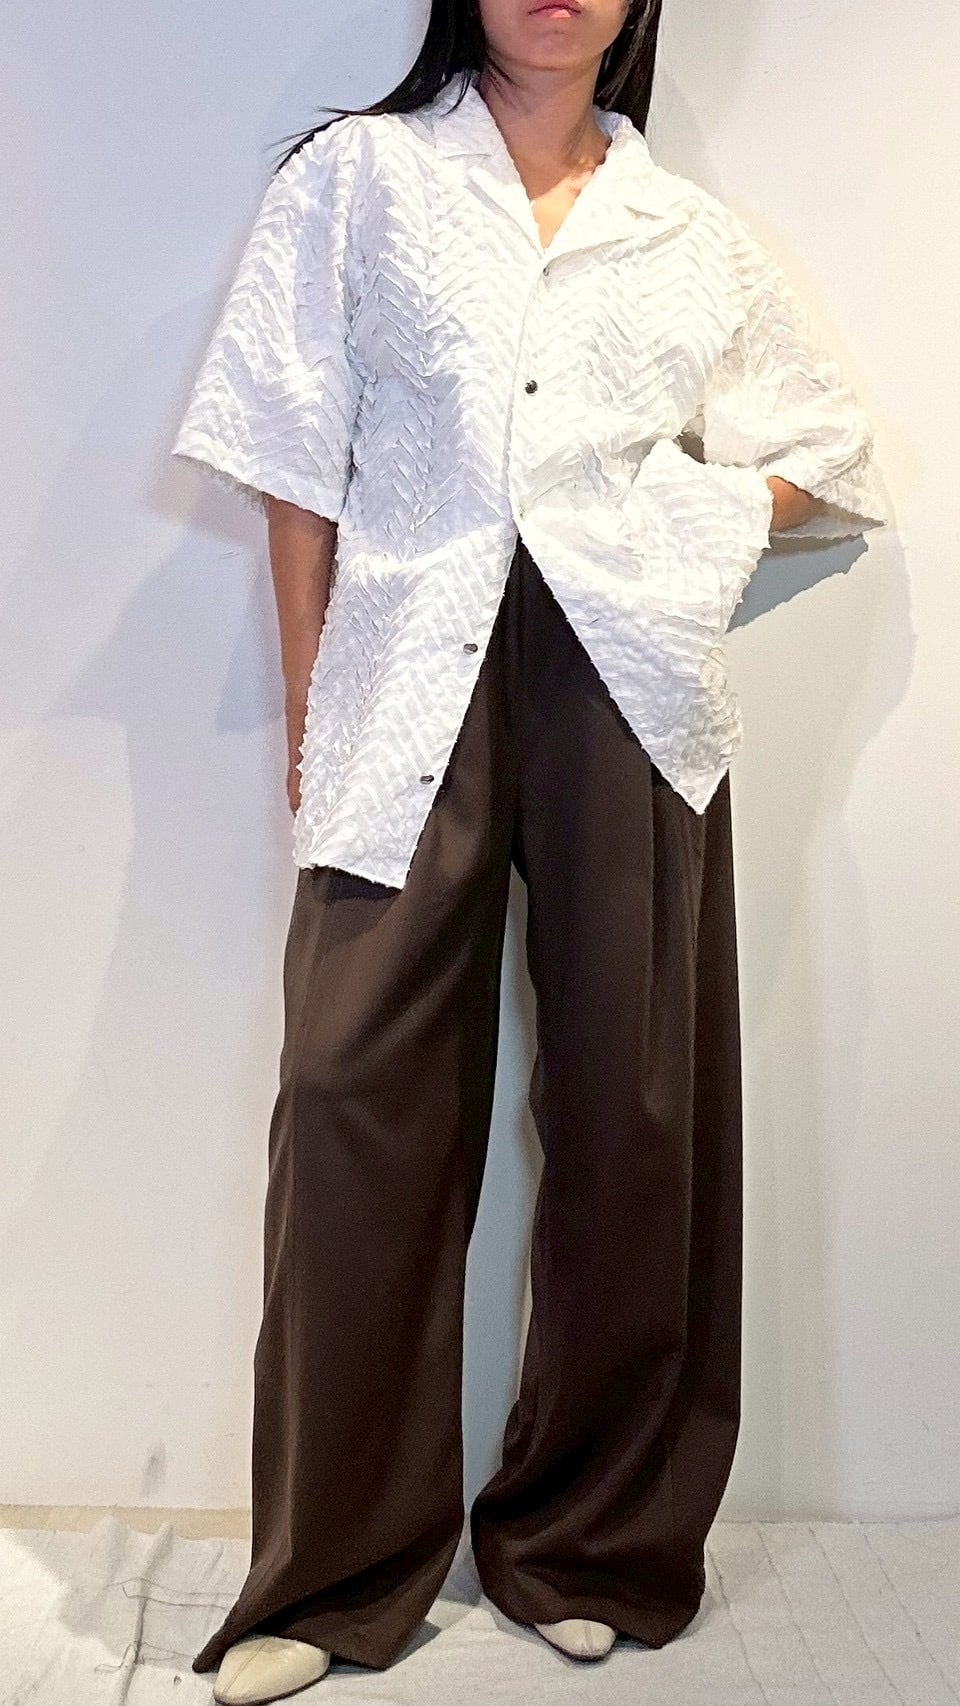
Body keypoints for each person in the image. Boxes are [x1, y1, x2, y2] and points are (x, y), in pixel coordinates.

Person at [171, 2, 887, 1701]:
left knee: (635, 1105)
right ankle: (332, 1573)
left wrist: (683, 519)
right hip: (406, 664)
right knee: (352, 1094)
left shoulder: (690, 234)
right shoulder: (360, 179)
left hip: (624, 681)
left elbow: (835, 455)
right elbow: (291, 447)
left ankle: (585, 1538)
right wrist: (310, 691)